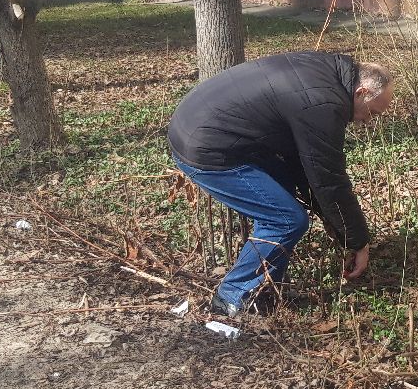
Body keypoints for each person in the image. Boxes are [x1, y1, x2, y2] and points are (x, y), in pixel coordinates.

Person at [166, 51, 394, 317]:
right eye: (371, 112)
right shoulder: (323, 103)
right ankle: (232, 297)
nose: (367, 121)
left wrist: (337, 225)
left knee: (282, 198)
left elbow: (307, 166)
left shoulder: (327, 71)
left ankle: (265, 288)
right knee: (286, 220)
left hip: (206, 127)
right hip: (206, 146)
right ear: (361, 92)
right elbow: (329, 179)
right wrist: (358, 241)